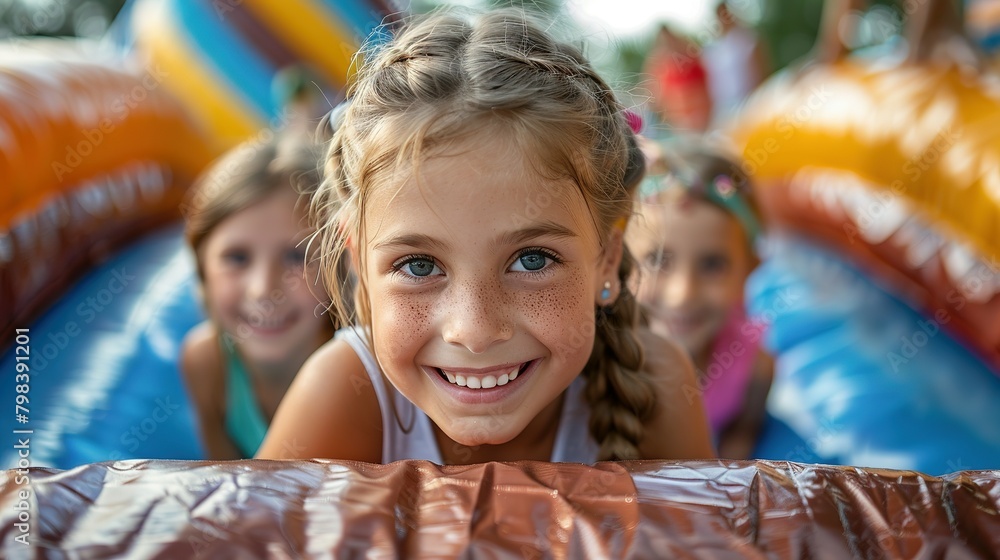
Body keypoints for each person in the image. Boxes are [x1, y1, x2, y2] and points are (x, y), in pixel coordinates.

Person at [257, 8, 715, 464]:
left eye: (532, 259)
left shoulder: (655, 388)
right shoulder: (346, 395)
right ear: (359, 265)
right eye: (419, 265)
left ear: (607, 259)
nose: (474, 331)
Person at [180, 126, 341, 460]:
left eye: (297, 256)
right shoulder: (209, 364)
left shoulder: (361, 372)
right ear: (202, 269)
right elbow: (228, 487)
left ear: (336, 266)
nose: (264, 289)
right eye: (237, 258)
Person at [626, 141, 773, 459]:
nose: (682, 295)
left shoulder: (753, 362)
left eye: (712, 265)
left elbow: (743, 432)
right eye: (658, 260)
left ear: (751, 268)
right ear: (618, 259)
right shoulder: (597, 366)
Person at [701, 1, 769, 123]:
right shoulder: (714, 47)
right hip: (723, 108)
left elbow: (761, 69)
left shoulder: (746, 39)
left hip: (748, 102)